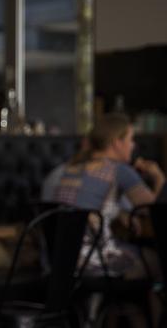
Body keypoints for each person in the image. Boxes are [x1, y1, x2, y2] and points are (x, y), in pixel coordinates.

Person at [51, 113, 165, 278]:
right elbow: (156, 214)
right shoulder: (119, 170)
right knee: (158, 260)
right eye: (131, 139)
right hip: (93, 261)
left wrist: (120, 213)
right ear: (117, 143)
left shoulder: (72, 168)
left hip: (61, 260)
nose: (133, 146)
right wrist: (158, 177)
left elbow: (87, 205)